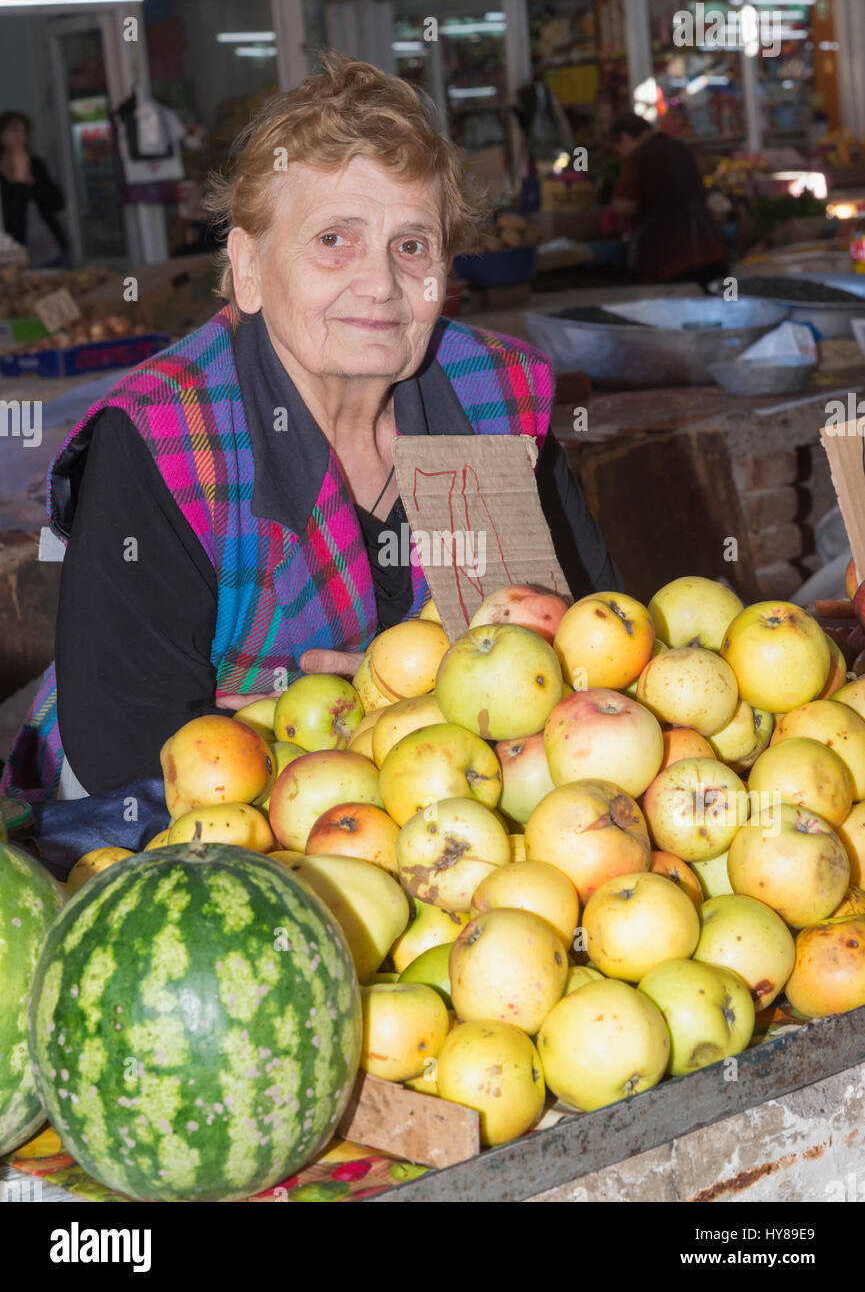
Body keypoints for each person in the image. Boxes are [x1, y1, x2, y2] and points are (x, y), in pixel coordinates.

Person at [2, 51, 620, 805]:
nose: (380, 282)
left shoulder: (492, 398)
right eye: (334, 239)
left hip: (442, 824)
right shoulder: (166, 438)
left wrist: (378, 697)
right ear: (250, 268)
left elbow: (596, 651)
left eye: (411, 245)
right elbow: (126, 758)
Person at [610, 112, 727, 287]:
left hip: (671, 258)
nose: (619, 154)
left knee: (679, 311)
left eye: (617, 147)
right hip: (710, 247)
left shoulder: (639, 158)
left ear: (624, 137)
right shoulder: (681, 148)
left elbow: (624, 206)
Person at [0, 111, 67, 266]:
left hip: (52, 249)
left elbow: (57, 204)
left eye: (24, 131)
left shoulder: (35, 164)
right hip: (17, 257)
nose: (20, 136)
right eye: (14, 130)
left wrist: (33, 182)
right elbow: (12, 223)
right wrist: (20, 182)